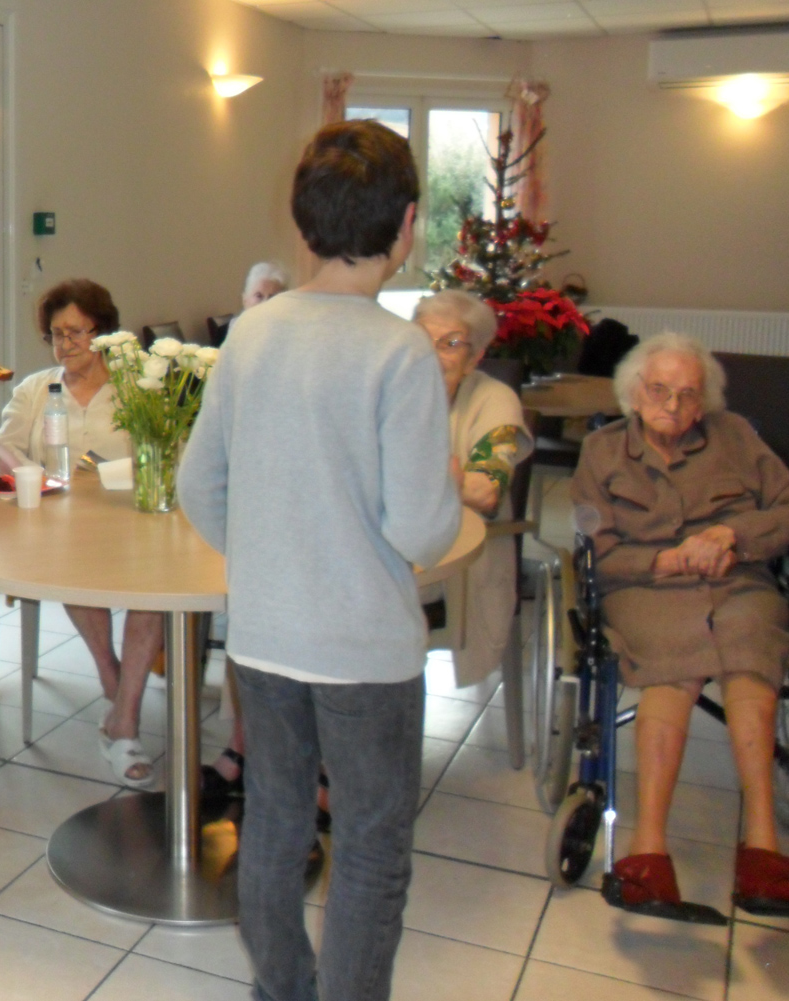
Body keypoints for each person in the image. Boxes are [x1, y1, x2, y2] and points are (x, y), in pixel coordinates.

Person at [179, 120, 462, 1001]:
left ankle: (284, 987)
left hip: (264, 637)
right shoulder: (398, 351)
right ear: (408, 224)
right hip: (364, 650)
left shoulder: (252, 334)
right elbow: (421, 527)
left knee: (273, 824)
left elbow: (199, 487)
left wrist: (273, 552)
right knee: (371, 850)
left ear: (301, 225)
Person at [570, 331, 789, 912]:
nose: (674, 407)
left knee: (750, 661)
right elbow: (596, 553)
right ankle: (648, 851)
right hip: (647, 588)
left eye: (688, 394)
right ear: (634, 392)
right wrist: (665, 558)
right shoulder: (601, 453)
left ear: (705, 398)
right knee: (675, 670)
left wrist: (733, 533)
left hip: (738, 581)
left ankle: (761, 847)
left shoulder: (735, 435)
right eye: (660, 391)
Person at [0, 278, 164, 788]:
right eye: (55, 335)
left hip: (131, 523)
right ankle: (115, 683)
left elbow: (161, 452)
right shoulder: (35, 389)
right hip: (60, 526)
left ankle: (124, 718)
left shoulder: (137, 386)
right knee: (69, 566)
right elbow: (6, 453)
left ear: (103, 331)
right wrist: (33, 473)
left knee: (151, 593)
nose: (65, 345)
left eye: (75, 333)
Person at [201, 260, 292, 799]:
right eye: (255, 296)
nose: (263, 305)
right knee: (245, 625)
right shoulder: (229, 364)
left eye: (272, 297)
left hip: (295, 541)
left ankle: (293, 764)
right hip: (254, 533)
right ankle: (243, 745)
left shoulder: (298, 365)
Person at [415, 290, 533, 687]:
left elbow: (485, 493)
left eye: (450, 344)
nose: (431, 354)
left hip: (461, 554)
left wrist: (408, 479)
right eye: (421, 339)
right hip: (394, 546)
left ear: (476, 355)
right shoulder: (392, 393)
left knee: (369, 607)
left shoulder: (494, 400)